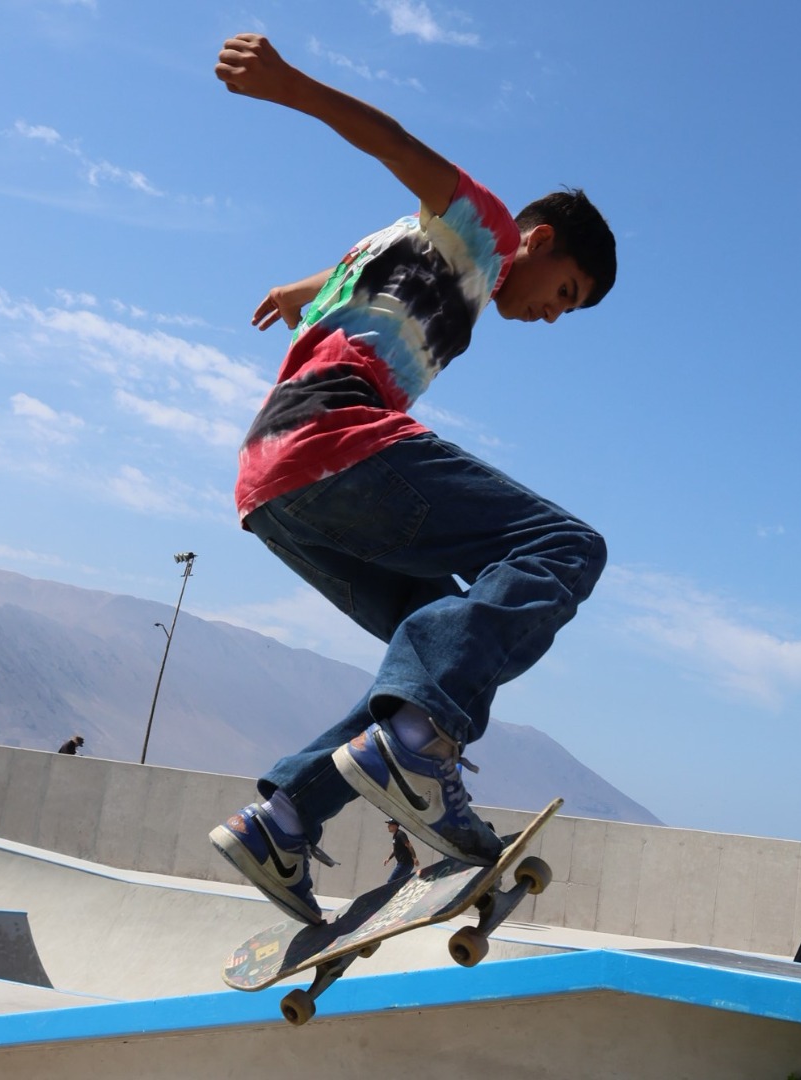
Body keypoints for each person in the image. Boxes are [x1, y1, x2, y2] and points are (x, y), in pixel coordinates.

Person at [206, 33, 617, 927]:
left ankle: (284, 817)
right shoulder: (490, 227)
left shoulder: (411, 248)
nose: (551, 315)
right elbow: (396, 144)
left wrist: (299, 288)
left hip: (272, 490)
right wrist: (288, 86)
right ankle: (416, 752)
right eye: (566, 291)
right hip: (335, 440)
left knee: (432, 650)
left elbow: (361, 268)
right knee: (566, 547)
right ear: (541, 243)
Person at [383, 820, 419, 884]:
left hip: (404, 863)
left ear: (395, 826)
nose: (388, 826)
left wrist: (415, 858)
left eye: (390, 825)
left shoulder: (400, 834)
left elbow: (409, 845)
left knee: (391, 881)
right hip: (405, 864)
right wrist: (388, 858)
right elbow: (395, 850)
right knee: (402, 883)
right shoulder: (395, 836)